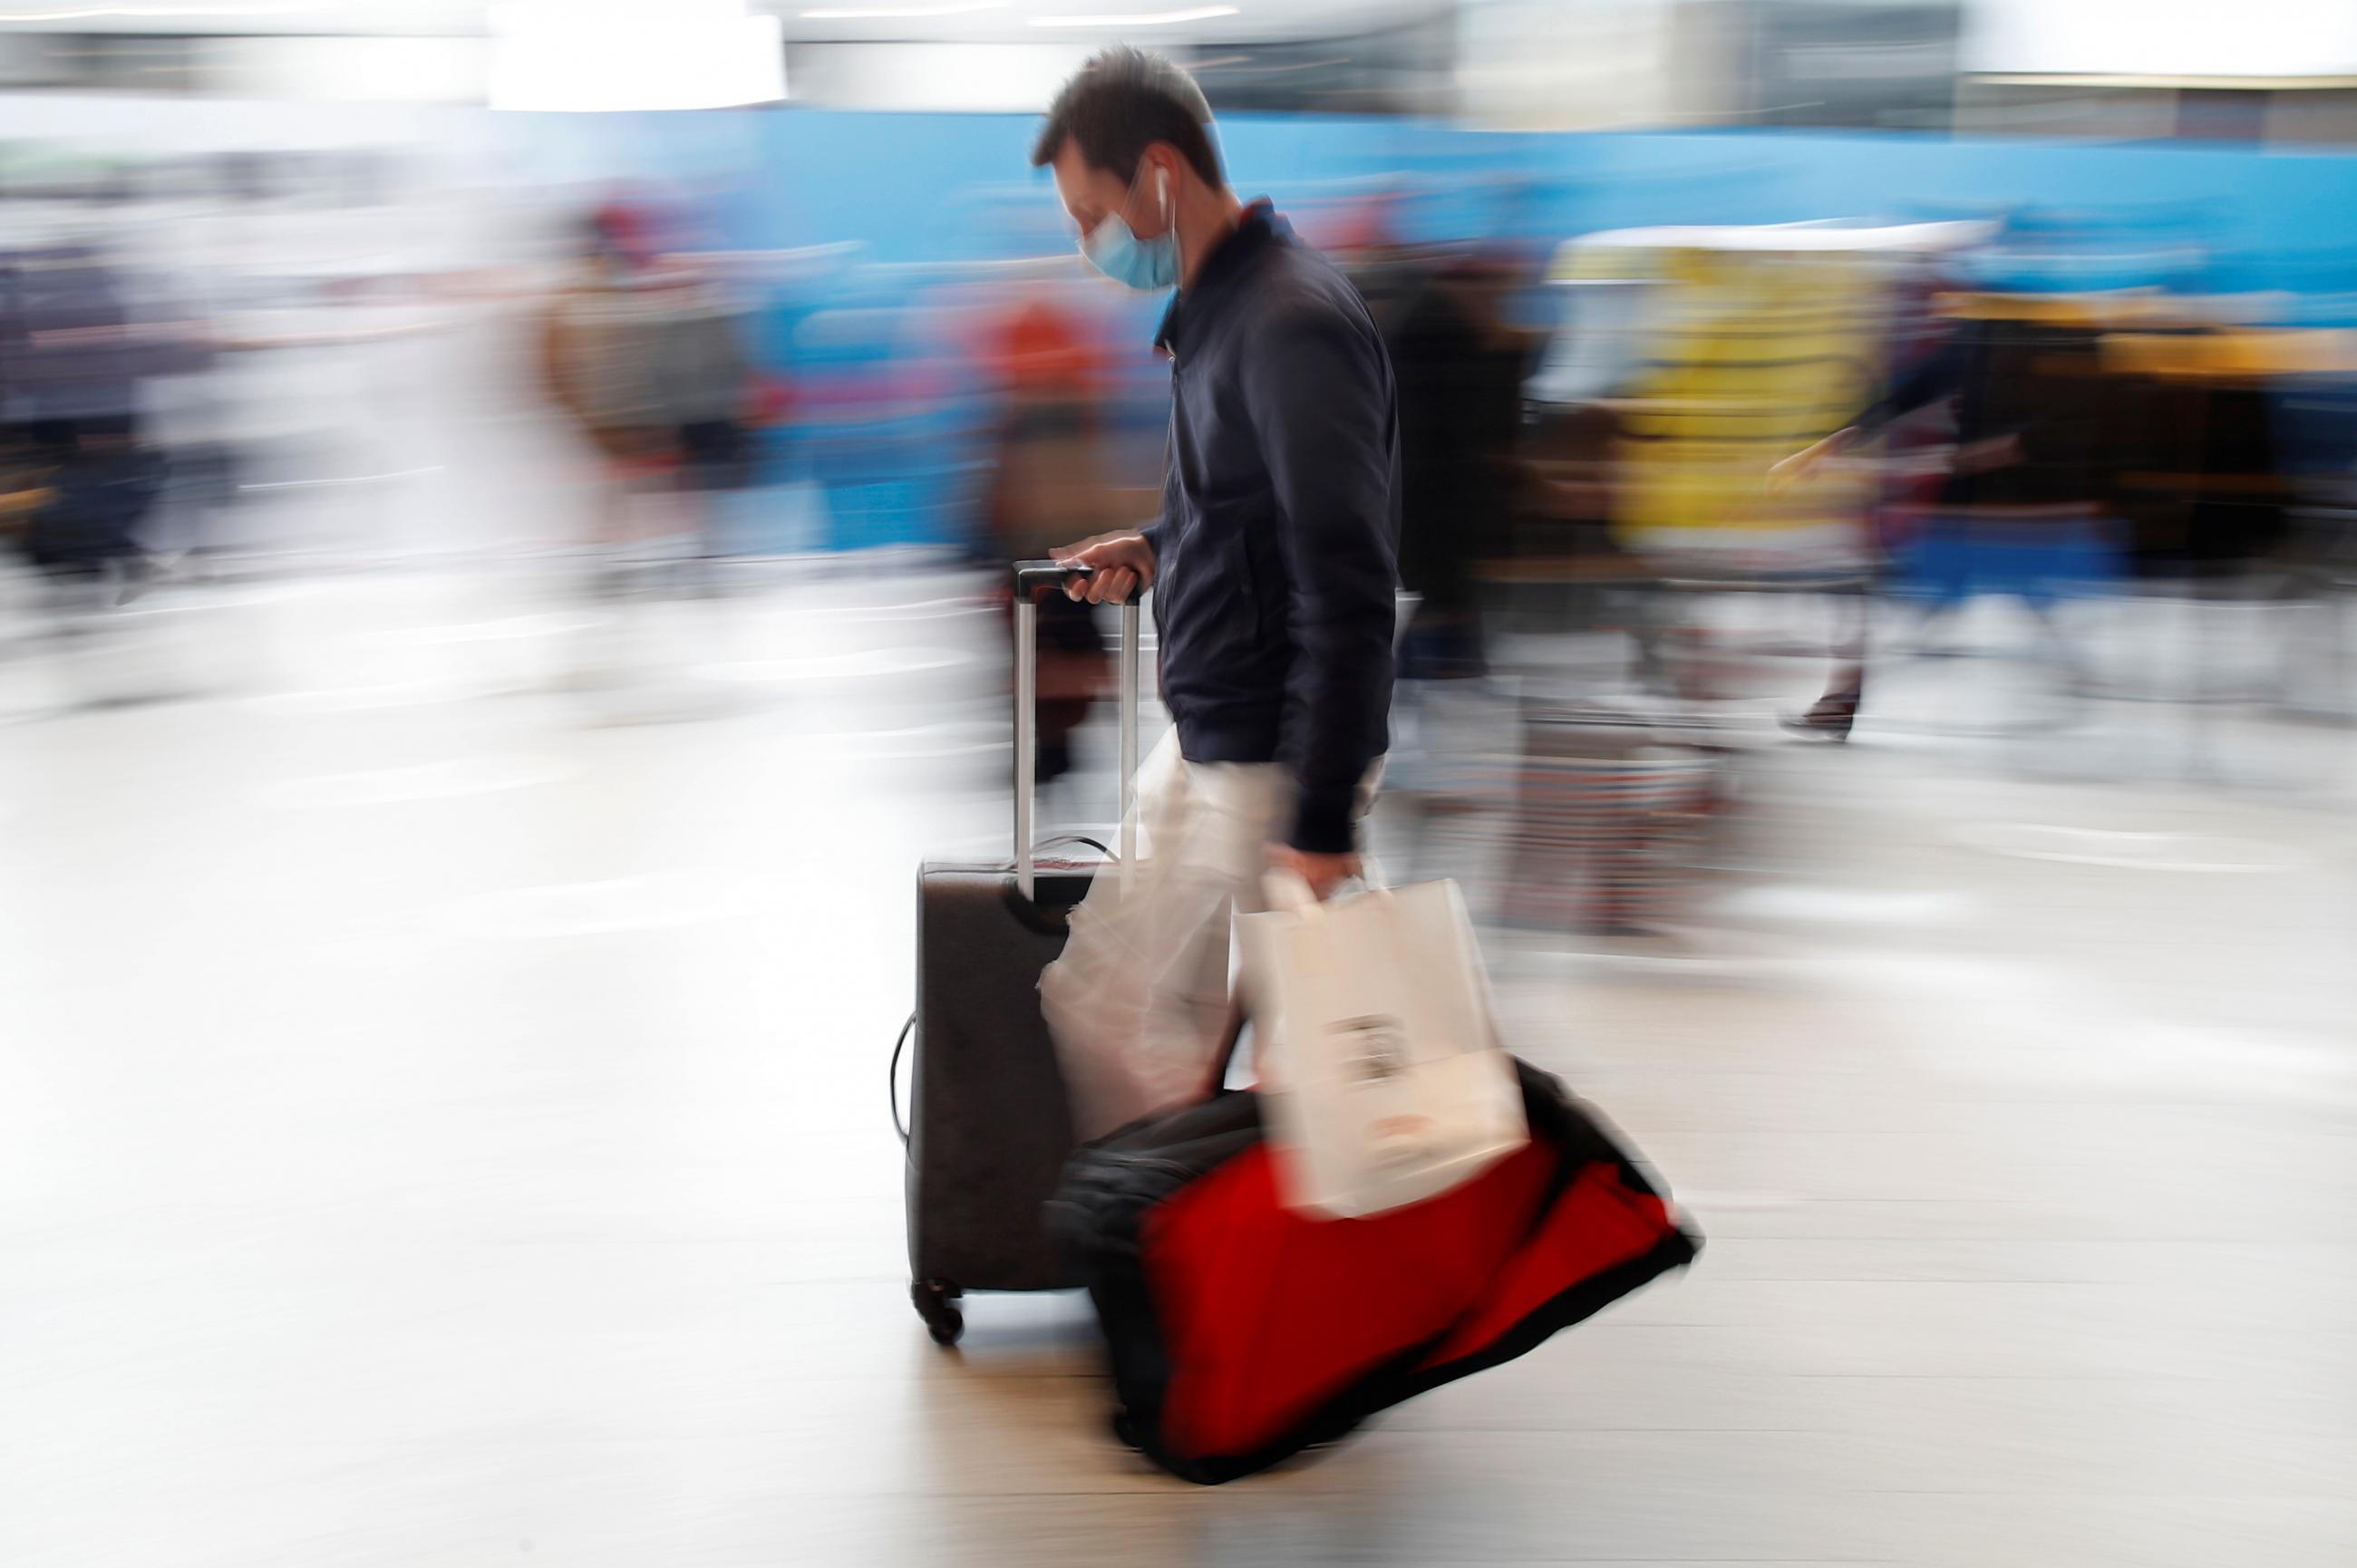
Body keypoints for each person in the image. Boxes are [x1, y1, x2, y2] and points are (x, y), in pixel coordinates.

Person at [1030, 48, 1402, 1137]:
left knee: (1200, 1036)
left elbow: (1347, 576)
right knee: (1116, 1005)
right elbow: (1254, 511)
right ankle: (1206, 1256)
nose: (1085, 246)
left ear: (1157, 172)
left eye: (1088, 214)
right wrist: (1159, 546)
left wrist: (1323, 815)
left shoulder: (1288, 322)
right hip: (1220, 732)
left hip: (1272, 756)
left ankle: (1225, 1266)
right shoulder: (1224, 314)